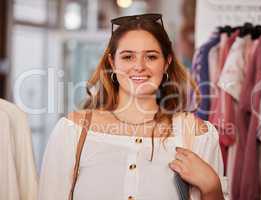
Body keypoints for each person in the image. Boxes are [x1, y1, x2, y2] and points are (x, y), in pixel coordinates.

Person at [38, 13, 226, 200]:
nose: (139, 67)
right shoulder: (73, 131)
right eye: (128, 57)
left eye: (151, 57)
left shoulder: (195, 134)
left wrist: (212, 188)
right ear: (112, 62)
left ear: (166, 63)